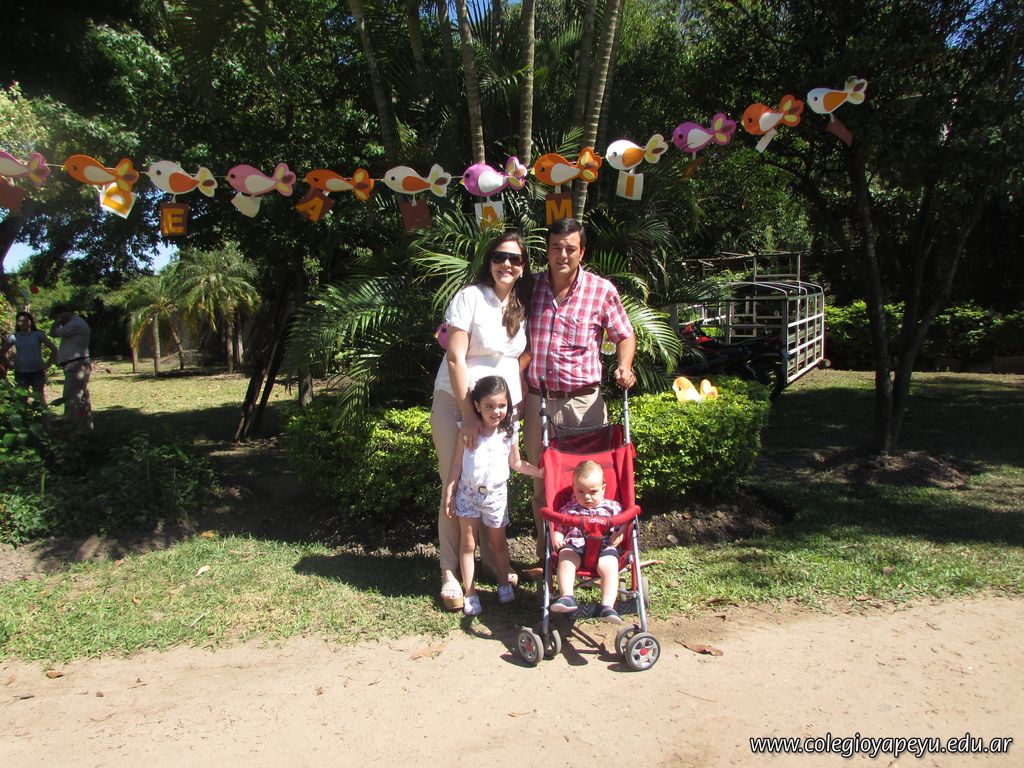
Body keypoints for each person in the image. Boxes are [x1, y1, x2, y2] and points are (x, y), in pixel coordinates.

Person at [430, 231, 533, 610]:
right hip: (458, 404)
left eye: (515, 259)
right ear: (489, 261)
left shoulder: (519, 306)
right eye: (500, 256)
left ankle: (489, 563)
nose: (507, 264)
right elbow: (456, 357)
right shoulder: (470, 297)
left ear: (523, 267)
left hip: (499, 413)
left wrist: (513, 401)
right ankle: (450, 572)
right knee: (457, 486)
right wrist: (470, 414)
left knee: (491, 486)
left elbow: (515, 357)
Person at [523, 218, 637, 557]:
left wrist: (625, 365)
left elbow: (624, 334)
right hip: (538, 401)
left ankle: (594, 553)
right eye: (556, 247)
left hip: (584, 403)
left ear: (582, 252)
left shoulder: (601, 290)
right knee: (542, 484)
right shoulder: (528, 287)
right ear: (547, 250)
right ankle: (549, 556)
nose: (562, 255)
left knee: (589, 481)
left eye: (570, 249)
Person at [443, 376, 543, 616]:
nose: (496, 411)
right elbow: (456, 464)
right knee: (468, 544)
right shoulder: (468, 431)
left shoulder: (508, 433)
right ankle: (470, 593)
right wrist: (450, 491)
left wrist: (541, 472)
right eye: (489, 406)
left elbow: (516, 463)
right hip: (467, 493)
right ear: (476, 405)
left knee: (498, 544)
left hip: (496, 496)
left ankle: (503, 582)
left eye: (502, 405)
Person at [549, 460, 624, 624]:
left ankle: (607, 606)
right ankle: (567, 597)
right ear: (573, 489)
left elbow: (623, 524)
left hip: (604, 547)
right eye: (580, 491)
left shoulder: (612, 507)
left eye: (593, 492)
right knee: (566, 559)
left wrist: (620, 534)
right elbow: (560, 526)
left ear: (603, 488)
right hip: (575, 545)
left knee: (610, 566)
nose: (587, 497)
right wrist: (557, 536)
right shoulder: (569, 509)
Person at [49, 304, 93, 429]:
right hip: (76, 364)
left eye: (58, 317)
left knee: (71, 398)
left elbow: (53, 333)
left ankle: (71, 426)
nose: (57, 320)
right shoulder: (74, 323)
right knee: (81, 397)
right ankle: (85, 426)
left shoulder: (74, 324)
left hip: (76, 365)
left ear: (64, 313)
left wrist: (57, 322)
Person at [5, 311, 58, 403]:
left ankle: (44, 413)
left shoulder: (38, 334)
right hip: (21, 372)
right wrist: (9, 364)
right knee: (21, 400)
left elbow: (54, 350)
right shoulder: (14, 336)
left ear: (31, 321)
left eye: (26, 320)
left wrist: (48, 364)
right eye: (21, 321)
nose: (24, 323)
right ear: (17, 323)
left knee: (39, 399)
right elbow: (2, 352)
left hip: (37, 371)